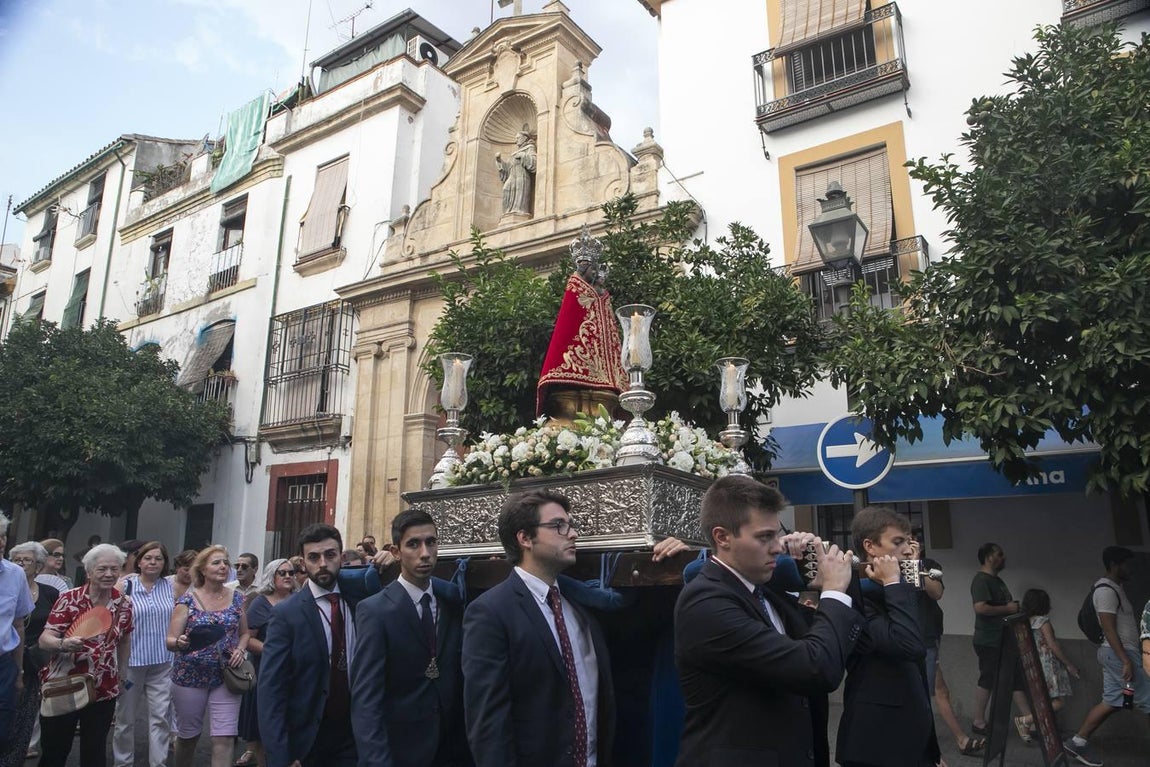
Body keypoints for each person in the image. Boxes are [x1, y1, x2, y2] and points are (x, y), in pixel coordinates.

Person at [673, 475, 860, 767]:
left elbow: (833, 642)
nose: (777, 547)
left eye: (777, 534)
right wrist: (833, 591)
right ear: (722, 537)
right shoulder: (707, 602)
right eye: (764, 537)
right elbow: (816, 667)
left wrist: (820, 576)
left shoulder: (767, 593)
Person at [463, 490, 614, 767]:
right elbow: (488, 725)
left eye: (571, 525)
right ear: (524, 538)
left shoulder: (581, 606)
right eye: (558, 526)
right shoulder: (491, 612)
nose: (572, 534)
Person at [352, 509, 470, 767]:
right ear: (396, 552)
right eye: (413, 544)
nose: (425, 553)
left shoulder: (450, 601)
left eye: (431, 542)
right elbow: (367, 698)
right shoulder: (375, 611)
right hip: (401, 751)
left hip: (453, 749)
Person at [837, 507, 940, 767]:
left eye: (909, 541)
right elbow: (910, 646)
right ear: (870, 546)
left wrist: (931, 752)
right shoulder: (856, 599)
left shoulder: (897, 592)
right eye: (898, 542)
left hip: (912, 743)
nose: (907, 549)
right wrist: (894, 582)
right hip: (875, 745)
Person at [259, 523, 358, 767]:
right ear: (303, 563)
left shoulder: (360, 600)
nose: (322, 563)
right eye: (314, 557)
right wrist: (280, 756)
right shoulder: (286, 614)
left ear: (341, 557)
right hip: (307, 740)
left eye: (330, 555)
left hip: (354, 735)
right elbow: (271, 691)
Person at [37, 543, 133, 767]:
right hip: (65, 683)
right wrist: (63, 643)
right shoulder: (69, 599)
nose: (109, 574)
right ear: (89, 572)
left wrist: (122, 673)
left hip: (103, 686)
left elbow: (126, 638)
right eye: (102, 569)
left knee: (95, 751)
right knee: (55, 750)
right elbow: (44, 640)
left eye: (114, 568)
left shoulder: (124, 603)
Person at [1063, 546, 1149, 767]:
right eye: (1127, 564)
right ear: (1114, 565)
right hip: (1118, 654)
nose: (1131, 568)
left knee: (1111, 701)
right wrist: (1126, 660)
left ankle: (1077, 742)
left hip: (1116, 654)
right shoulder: (1105, 591)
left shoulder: (1115, 589)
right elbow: (1109, 628)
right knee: (1149, 699)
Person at [167, 545, 251, 767]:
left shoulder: (237, 599)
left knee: (224, 737)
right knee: (188, 736)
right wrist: (179, 642)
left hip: (226, 676)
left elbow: (245, 634)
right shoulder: (187, 600)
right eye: (216, 562)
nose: (223, 566)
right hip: (189, 676)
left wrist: (241, 650)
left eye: (225, 562)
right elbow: (170, 640)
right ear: (202, 570)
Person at [535, 227, 628, 418]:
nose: (594, 272)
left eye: (594, 268)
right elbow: (570, 322)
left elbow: (605, 319)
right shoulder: (576, 286)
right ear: (583, 267)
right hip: (574, 371)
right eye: (591, 268)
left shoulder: (599, 292)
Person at [113, 541, 176, 767]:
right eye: (148, 558)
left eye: (158, 558)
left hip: (163, 662)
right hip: (131, 663)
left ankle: (158, 764)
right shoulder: (125, 585)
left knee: (160, 718)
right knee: (125, 719)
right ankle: (123, 763)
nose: (153, 562)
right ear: (138, 561)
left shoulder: (170, 586)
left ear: (164, 563)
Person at [969, 542, 1034, 740]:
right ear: (989, 557)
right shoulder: (981, 580)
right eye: (1000, 554)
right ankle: (978, 721)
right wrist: (1008, 609)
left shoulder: (997, 580)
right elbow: (980, 608)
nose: (1003, 557)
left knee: (1015, 677)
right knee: (988, 678)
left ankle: (1029, 721)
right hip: (989, 639)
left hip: (1003, 637)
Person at [237, 559, 298, 767]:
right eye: (282, 573)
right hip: (265, 670)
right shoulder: (260, 603)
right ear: (272, 576)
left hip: (295, 672)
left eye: (292, 572)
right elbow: (248, 637)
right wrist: (274, 651)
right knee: (264, 726)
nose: (288, 576)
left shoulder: (300, 601)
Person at [0, 524, 37, 762]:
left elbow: (19, 624)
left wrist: (20, 671)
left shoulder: (15, 574)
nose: (0, 541)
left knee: (3, 730)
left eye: (2, 536)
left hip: (4, 665)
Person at [1022, 588, 1079, 712]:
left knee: (1039, 700)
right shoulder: (1043, 622)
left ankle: (1026, 729)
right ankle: (1027, 720)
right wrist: (1068, 664)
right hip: (1047, 664)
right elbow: (1052, 645)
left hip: (1033, 663)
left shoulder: (1024, 622)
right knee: (1058, 702)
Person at [496, 128, 536, 217]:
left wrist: (522, 155)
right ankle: (508, 213)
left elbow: (533, 161)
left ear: (524, 138)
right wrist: (499, 161)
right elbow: (507, 168)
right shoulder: (514, 153)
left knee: (519, 194)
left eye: (518, 138)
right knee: (505, 189)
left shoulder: (529, 148)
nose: (516, 140)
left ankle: (520, 213)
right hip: (512, 176)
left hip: (522, 176)